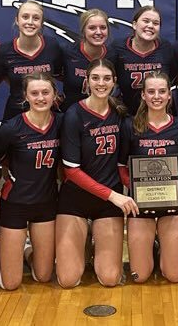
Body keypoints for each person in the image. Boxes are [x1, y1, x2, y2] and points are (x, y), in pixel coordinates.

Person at [56, 59, 138, 288]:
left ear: (114, 82)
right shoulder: (74, 115)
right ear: (87, 81)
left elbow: (125, 162)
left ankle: (95, 241)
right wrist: (114, 195)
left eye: (106, 78)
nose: (100, 83)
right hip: (76, 199)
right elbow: (71, 171)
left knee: (110, 279)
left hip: (107, 204)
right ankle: (83, 237)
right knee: (68, 280)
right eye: (95, 78)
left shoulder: (121, 114)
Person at [118, 72, 178, 283]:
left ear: (170, 95)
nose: (156, 96)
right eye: (151, 91)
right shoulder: (130, 126)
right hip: (141, 203)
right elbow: (122, 167)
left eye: (162, 91)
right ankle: (154, 245)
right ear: (143, 95)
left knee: (174, 275)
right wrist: (134, 191)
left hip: (171, 201)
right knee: (140, 277)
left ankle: (162, 249)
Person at [0, 72, 62, 290]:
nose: (40, 98)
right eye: (34, 93)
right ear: (25, 96)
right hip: (15, 203)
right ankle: (10, 251)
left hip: (46, 203)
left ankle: (26, 252)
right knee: (10, 283)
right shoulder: (11, 128)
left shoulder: (61, 124)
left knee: (43, 276)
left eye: (45, 92)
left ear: (54, 95)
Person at [0, 0, 64, 121]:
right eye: (25, 17)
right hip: (15, 115)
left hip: (47, 115)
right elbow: (1, 78)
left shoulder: (52, 45)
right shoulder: (4, 51)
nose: (30, 22)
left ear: (42, 23)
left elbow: (58, 74)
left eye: (36, 18)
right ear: (17, 20)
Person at [113, 6, 177, 115]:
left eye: (156, 23)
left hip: (163, 115)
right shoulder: (118, 48)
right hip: (129, 116)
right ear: (134, 24)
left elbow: (174, 76)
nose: (150, 26)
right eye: (146, 21)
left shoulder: (166, 48)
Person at [60, 9, 117, 111]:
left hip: (102, 116)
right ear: (83, 30)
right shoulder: (67, 52)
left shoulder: (113, 55)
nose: (98, 32)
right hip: (71, 115)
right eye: (92, 28)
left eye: (103, 28)